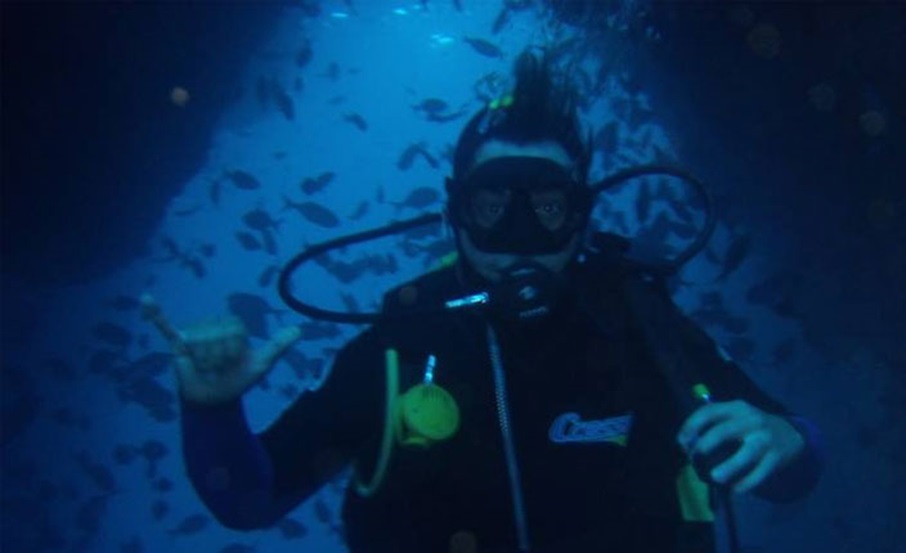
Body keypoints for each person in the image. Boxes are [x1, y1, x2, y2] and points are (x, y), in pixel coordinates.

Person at [144, 50, 823, 553]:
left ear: (582, 215)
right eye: (493, 205)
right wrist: (212, 411)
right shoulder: (399, 351)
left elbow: (791, 472)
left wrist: (787, 438)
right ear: (455, 211)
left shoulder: (640, 324)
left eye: (548, 207)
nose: (520, 239)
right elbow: (249, 500)